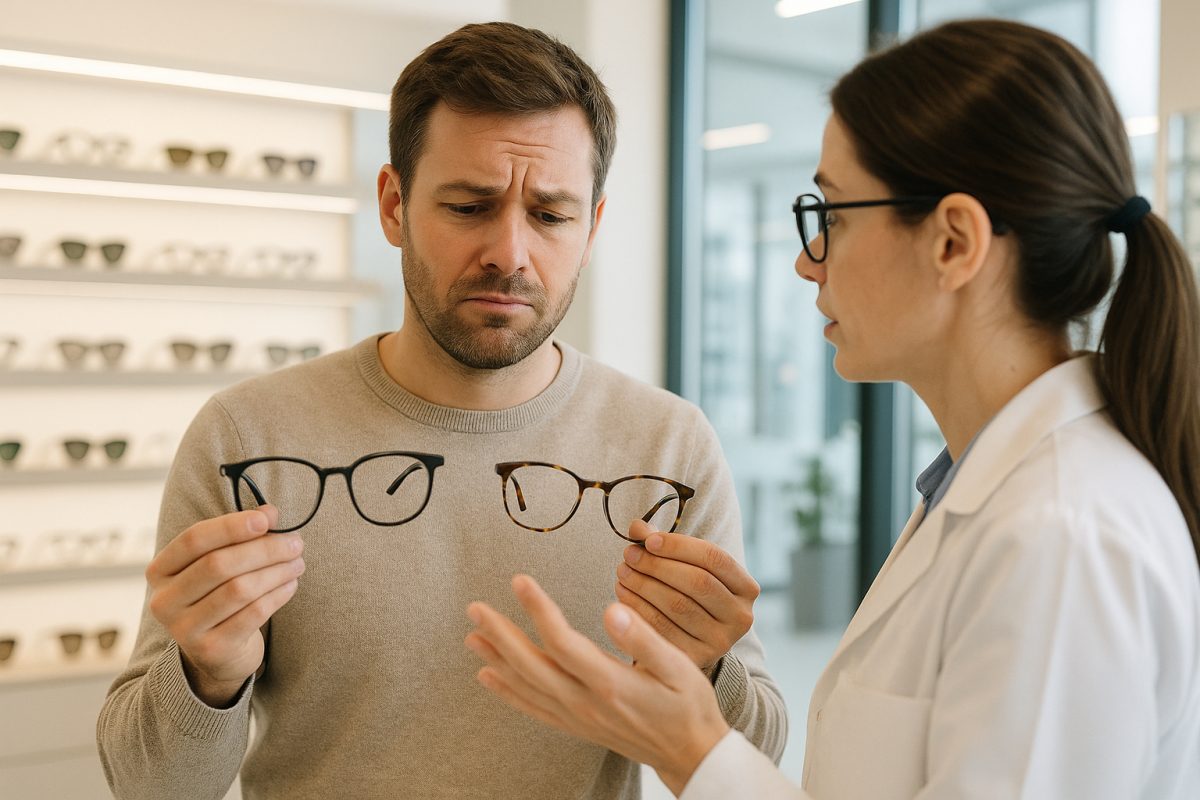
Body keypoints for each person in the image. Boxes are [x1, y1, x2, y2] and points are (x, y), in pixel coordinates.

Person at [465, 18, 1200, 800]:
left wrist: (692, 749)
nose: (806, 259)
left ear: (953, 242)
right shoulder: (988, 493)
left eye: (834, 216)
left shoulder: (1061, 534)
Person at [95, 21, 786, 800]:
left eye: (551, 216)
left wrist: (706, 665)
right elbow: (149, 785)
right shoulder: (249, 439)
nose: (511, 253)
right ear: (393, 205)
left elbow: (753, 761)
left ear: (590, 229)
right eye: (468, 206)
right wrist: (207, 674)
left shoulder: (667, 451)